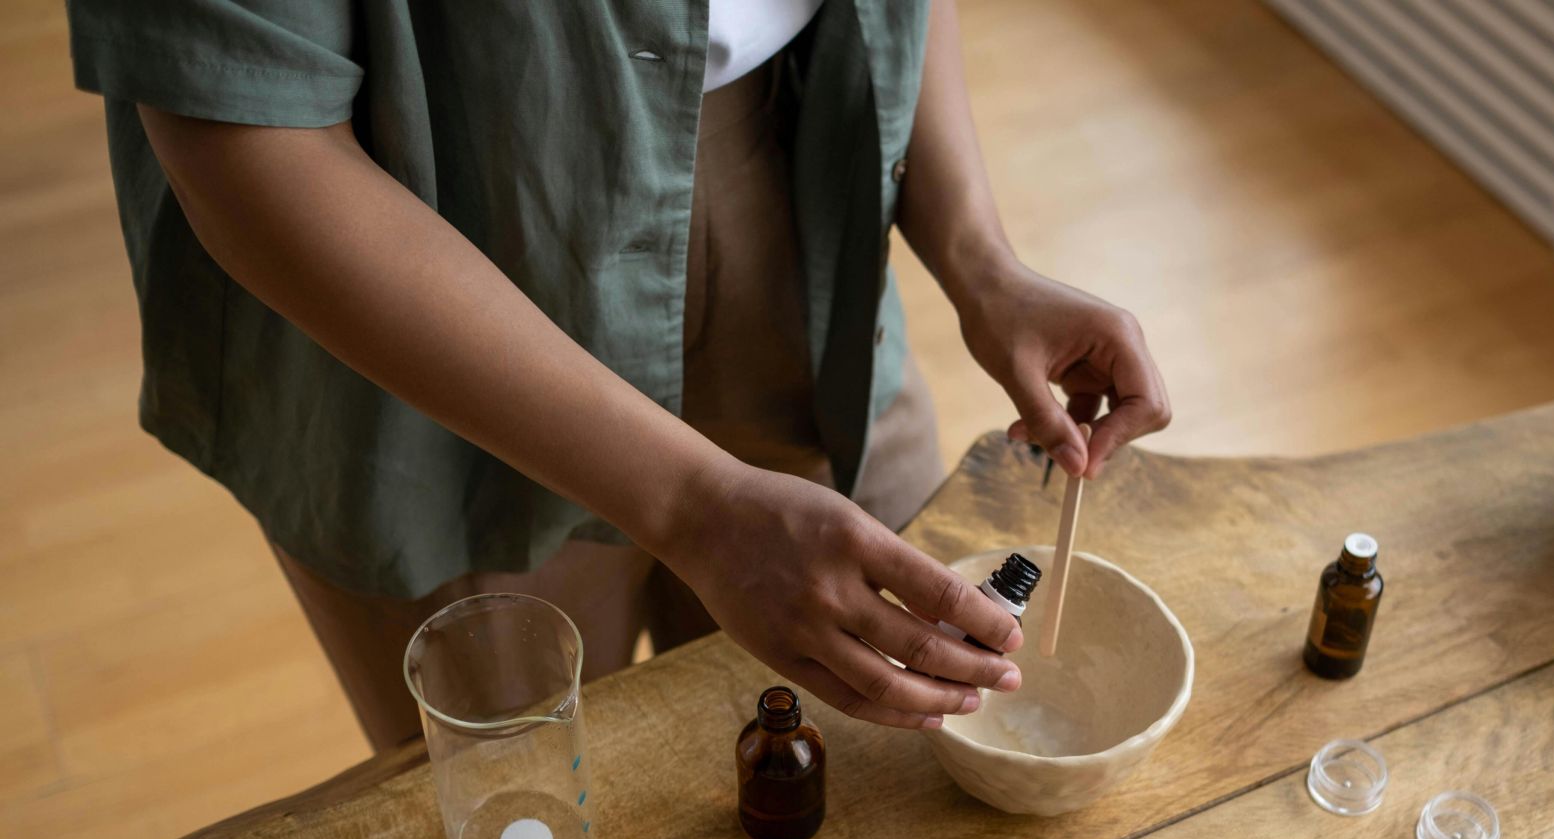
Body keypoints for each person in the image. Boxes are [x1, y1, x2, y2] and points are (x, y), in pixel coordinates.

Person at [68, 0, 1171, 749]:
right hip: (419, 263)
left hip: (801, 185)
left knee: (870, 753)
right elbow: (248, 138)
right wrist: (697, 503)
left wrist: (979, 258)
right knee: (539, 812)